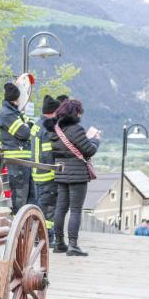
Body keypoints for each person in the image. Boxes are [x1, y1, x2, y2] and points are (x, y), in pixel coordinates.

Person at [46, 99, 100, 256]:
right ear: (75, 113)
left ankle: (59, 243)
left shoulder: (55, 129)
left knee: (60, 208)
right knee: (75, 210)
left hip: (61, 172)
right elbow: (89, 150)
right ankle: (73, 245)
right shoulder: (76, 129)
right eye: (79, 112)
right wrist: (95, 139)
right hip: (77, 174)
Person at [0, 82, 35, 214]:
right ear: (16, 99)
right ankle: (19, 227)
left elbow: (25, 129)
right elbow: (24, 133)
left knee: (30, 196)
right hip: (16, 161)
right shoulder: (7, 114)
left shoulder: (13, 113)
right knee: (20, 197)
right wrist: (27, 126)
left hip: (23, 160)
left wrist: (27, 125)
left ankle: (27, 228)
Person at [32, 95, 60, 244]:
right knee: (48, 208)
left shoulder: (37, 125)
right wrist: (56, 168)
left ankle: (40, 235)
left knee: (41, 204)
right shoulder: (48, 128)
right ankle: (46, 238)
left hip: (37, 173)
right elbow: (48, 153)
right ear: (52, 112)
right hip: (48, 174)